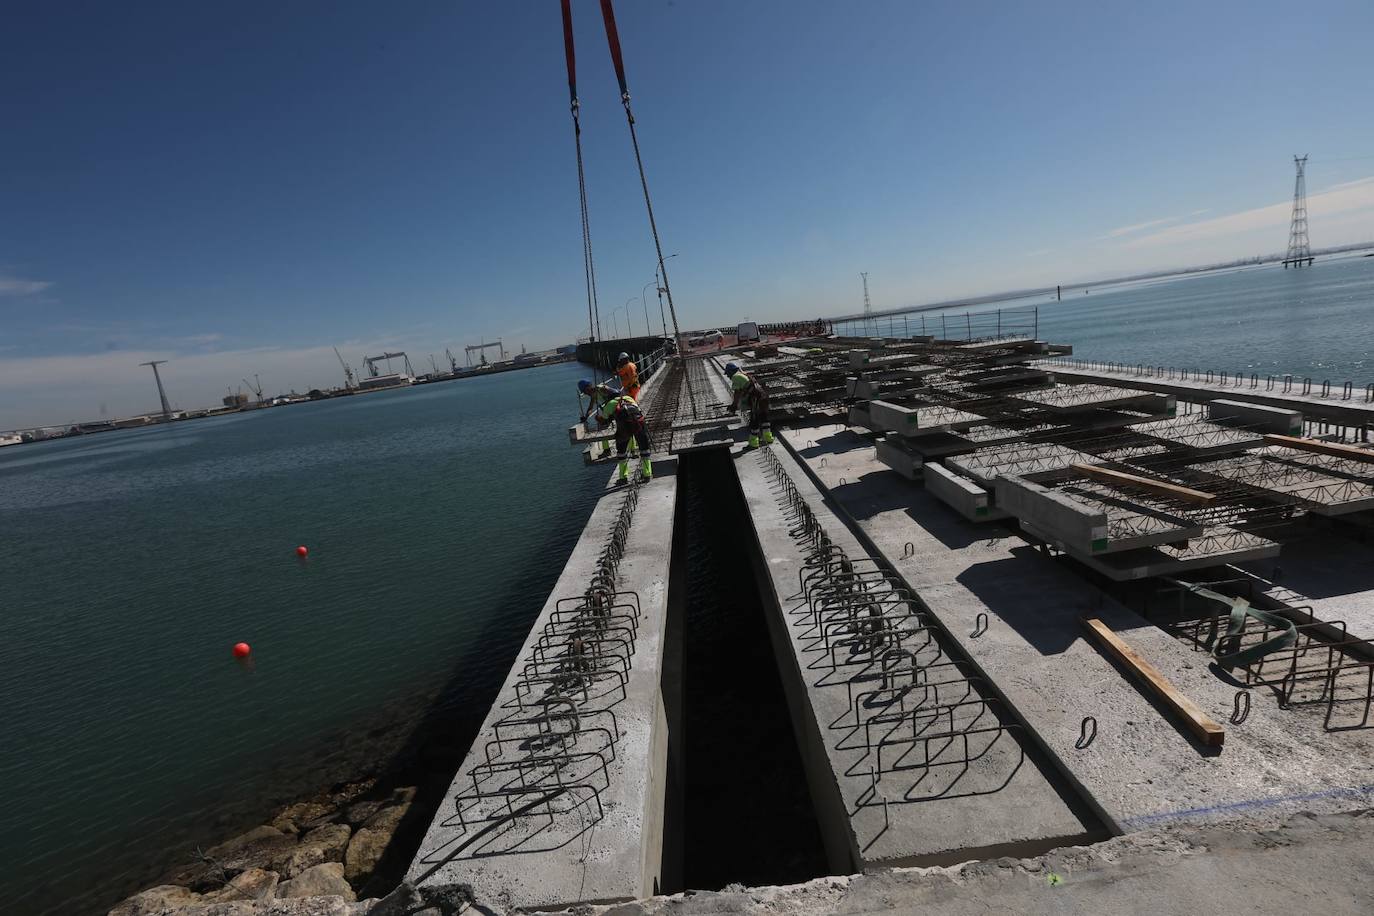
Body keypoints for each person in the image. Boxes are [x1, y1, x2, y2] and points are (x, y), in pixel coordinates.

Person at [594, 391, 652, 483]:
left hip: (624, 427)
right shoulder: (629, 398)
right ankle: (647, 474)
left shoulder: (609, 404)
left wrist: (598, 418)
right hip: (639, 422)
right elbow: (638, 410)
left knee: (621, 452)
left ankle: (623, 477)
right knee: (644, 449)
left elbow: (604, 422)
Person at [725, 362, 773, 448]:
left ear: (731, 372)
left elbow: (737, 393)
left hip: (756, 398)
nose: (728, 376)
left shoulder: (735, 377)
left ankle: (754, 442)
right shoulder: (744, 374)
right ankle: (768, 437)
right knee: (764, 417)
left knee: (754, 419)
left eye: (728, 374)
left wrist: (734, 405)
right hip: (763, 396)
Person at [578, 379, 620, 457]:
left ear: (588, 388)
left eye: (585, 391)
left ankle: (631, 449)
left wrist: (608, 401)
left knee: (622, 426)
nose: (586, 394)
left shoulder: (600, 388)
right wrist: (586, 417)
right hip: (609, 411)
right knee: (602, 427)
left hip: (616, 407)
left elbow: (616, 393)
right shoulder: (593, 396)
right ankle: (607, 450)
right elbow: (591, 408)